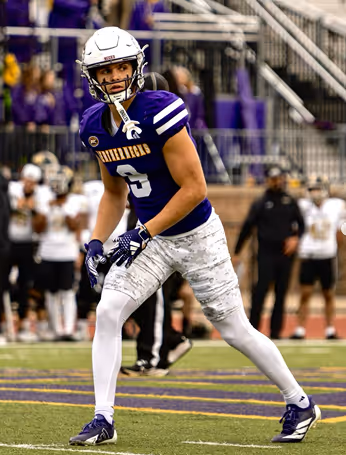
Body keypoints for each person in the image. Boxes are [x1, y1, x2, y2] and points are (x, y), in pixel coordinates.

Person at [69, 27, 320, 446]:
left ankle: (299, 402)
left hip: (195, 234)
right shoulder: (94, 124)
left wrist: (142, 230)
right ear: (91, 74)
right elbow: (114, 192)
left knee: (234, 327)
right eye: (105, 69)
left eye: (121, 66)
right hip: (151, 238)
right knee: (109, 310)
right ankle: (103, 418)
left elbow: (195, 189)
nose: (114, 75)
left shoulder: (159, 109)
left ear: (136, 67)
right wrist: (97, 241)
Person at [233, 166, 305, 340]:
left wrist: (296, 239)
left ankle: (275, 332)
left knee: (281, 293)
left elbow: (301, 224)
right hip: (266, 253)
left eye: (280, 178)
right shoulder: (261, 202)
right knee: (260, 291)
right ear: (267, 180)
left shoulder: (290, 200)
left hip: (285, 254)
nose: (277, 182)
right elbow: (248, 226)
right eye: (274, 179)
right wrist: (237, 250)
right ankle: (253, 331)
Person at [290, 176, 346, 340]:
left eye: (318, 188)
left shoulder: (336, 206)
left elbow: (340, 230)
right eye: (312, 189)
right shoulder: (303, 206)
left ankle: (330, 329)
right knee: (305, 293)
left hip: (327, 256)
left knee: (328, 294)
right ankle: (300, 329)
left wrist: (337, 246)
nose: (315, 192)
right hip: (308, 255)